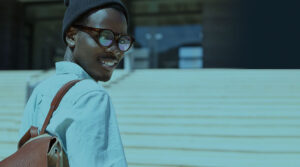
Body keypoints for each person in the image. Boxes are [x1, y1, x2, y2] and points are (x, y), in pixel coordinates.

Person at [18, 0, 133, 166]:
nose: (116, 49)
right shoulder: (92, 96)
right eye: (105, 37)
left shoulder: (41, 90)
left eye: (122, 40)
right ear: (72, 36)